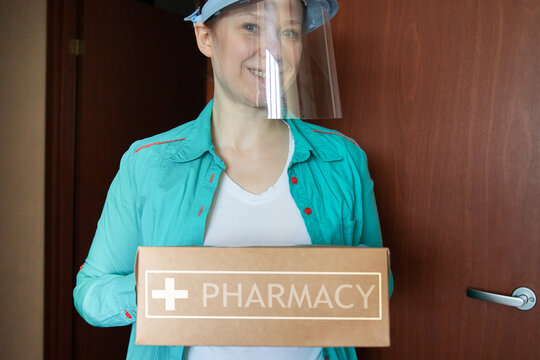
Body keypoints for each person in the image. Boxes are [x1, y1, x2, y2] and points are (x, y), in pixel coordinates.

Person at [74, 0, 393, 359]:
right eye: (251, 27)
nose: (273, 49)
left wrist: (347, 276)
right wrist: (166, 290)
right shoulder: (147, 164)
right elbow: (91, 295)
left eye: (288, 32)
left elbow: (380, 285)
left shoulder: (342, 159)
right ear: (205, 36)